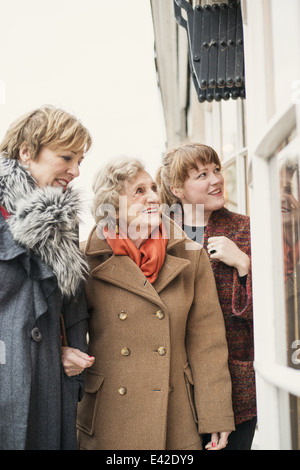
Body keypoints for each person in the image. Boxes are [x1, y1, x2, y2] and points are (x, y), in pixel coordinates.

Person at [77, 157, 235, 451]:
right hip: (110, 414)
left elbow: (208, 345)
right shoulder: (85, 260)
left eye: (153, 188)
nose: (154, 197)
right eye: (139, 191)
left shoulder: (190, 256)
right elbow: (68, 335)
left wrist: (216, 415)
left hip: (174, 415)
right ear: (111, 207)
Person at [0, 105, 95, 450]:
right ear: (27, 152)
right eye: (67, 157)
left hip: (49, 385)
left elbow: (73, 302)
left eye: (80, 161)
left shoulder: (62, 218)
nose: (76, 171)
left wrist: (74, 354)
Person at [157, 142, 256, 450]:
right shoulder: (156, 235)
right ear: (178, 189)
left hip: (235, 385)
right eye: (202, 174)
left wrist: (243, 264)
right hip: (174, 383)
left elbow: (271, 312)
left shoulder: (245, 229)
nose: (216, 179)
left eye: (216, 170)